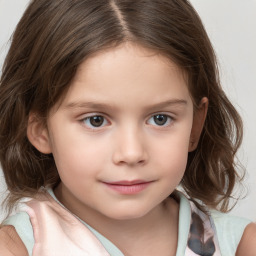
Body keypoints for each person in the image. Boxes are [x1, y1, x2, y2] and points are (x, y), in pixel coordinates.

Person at [0, 0, 255, 255]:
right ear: (40, 129)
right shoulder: (14, 248)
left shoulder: (242, 245)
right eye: (95, 120)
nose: (132, 153)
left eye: (160, 119)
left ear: (195, 126)